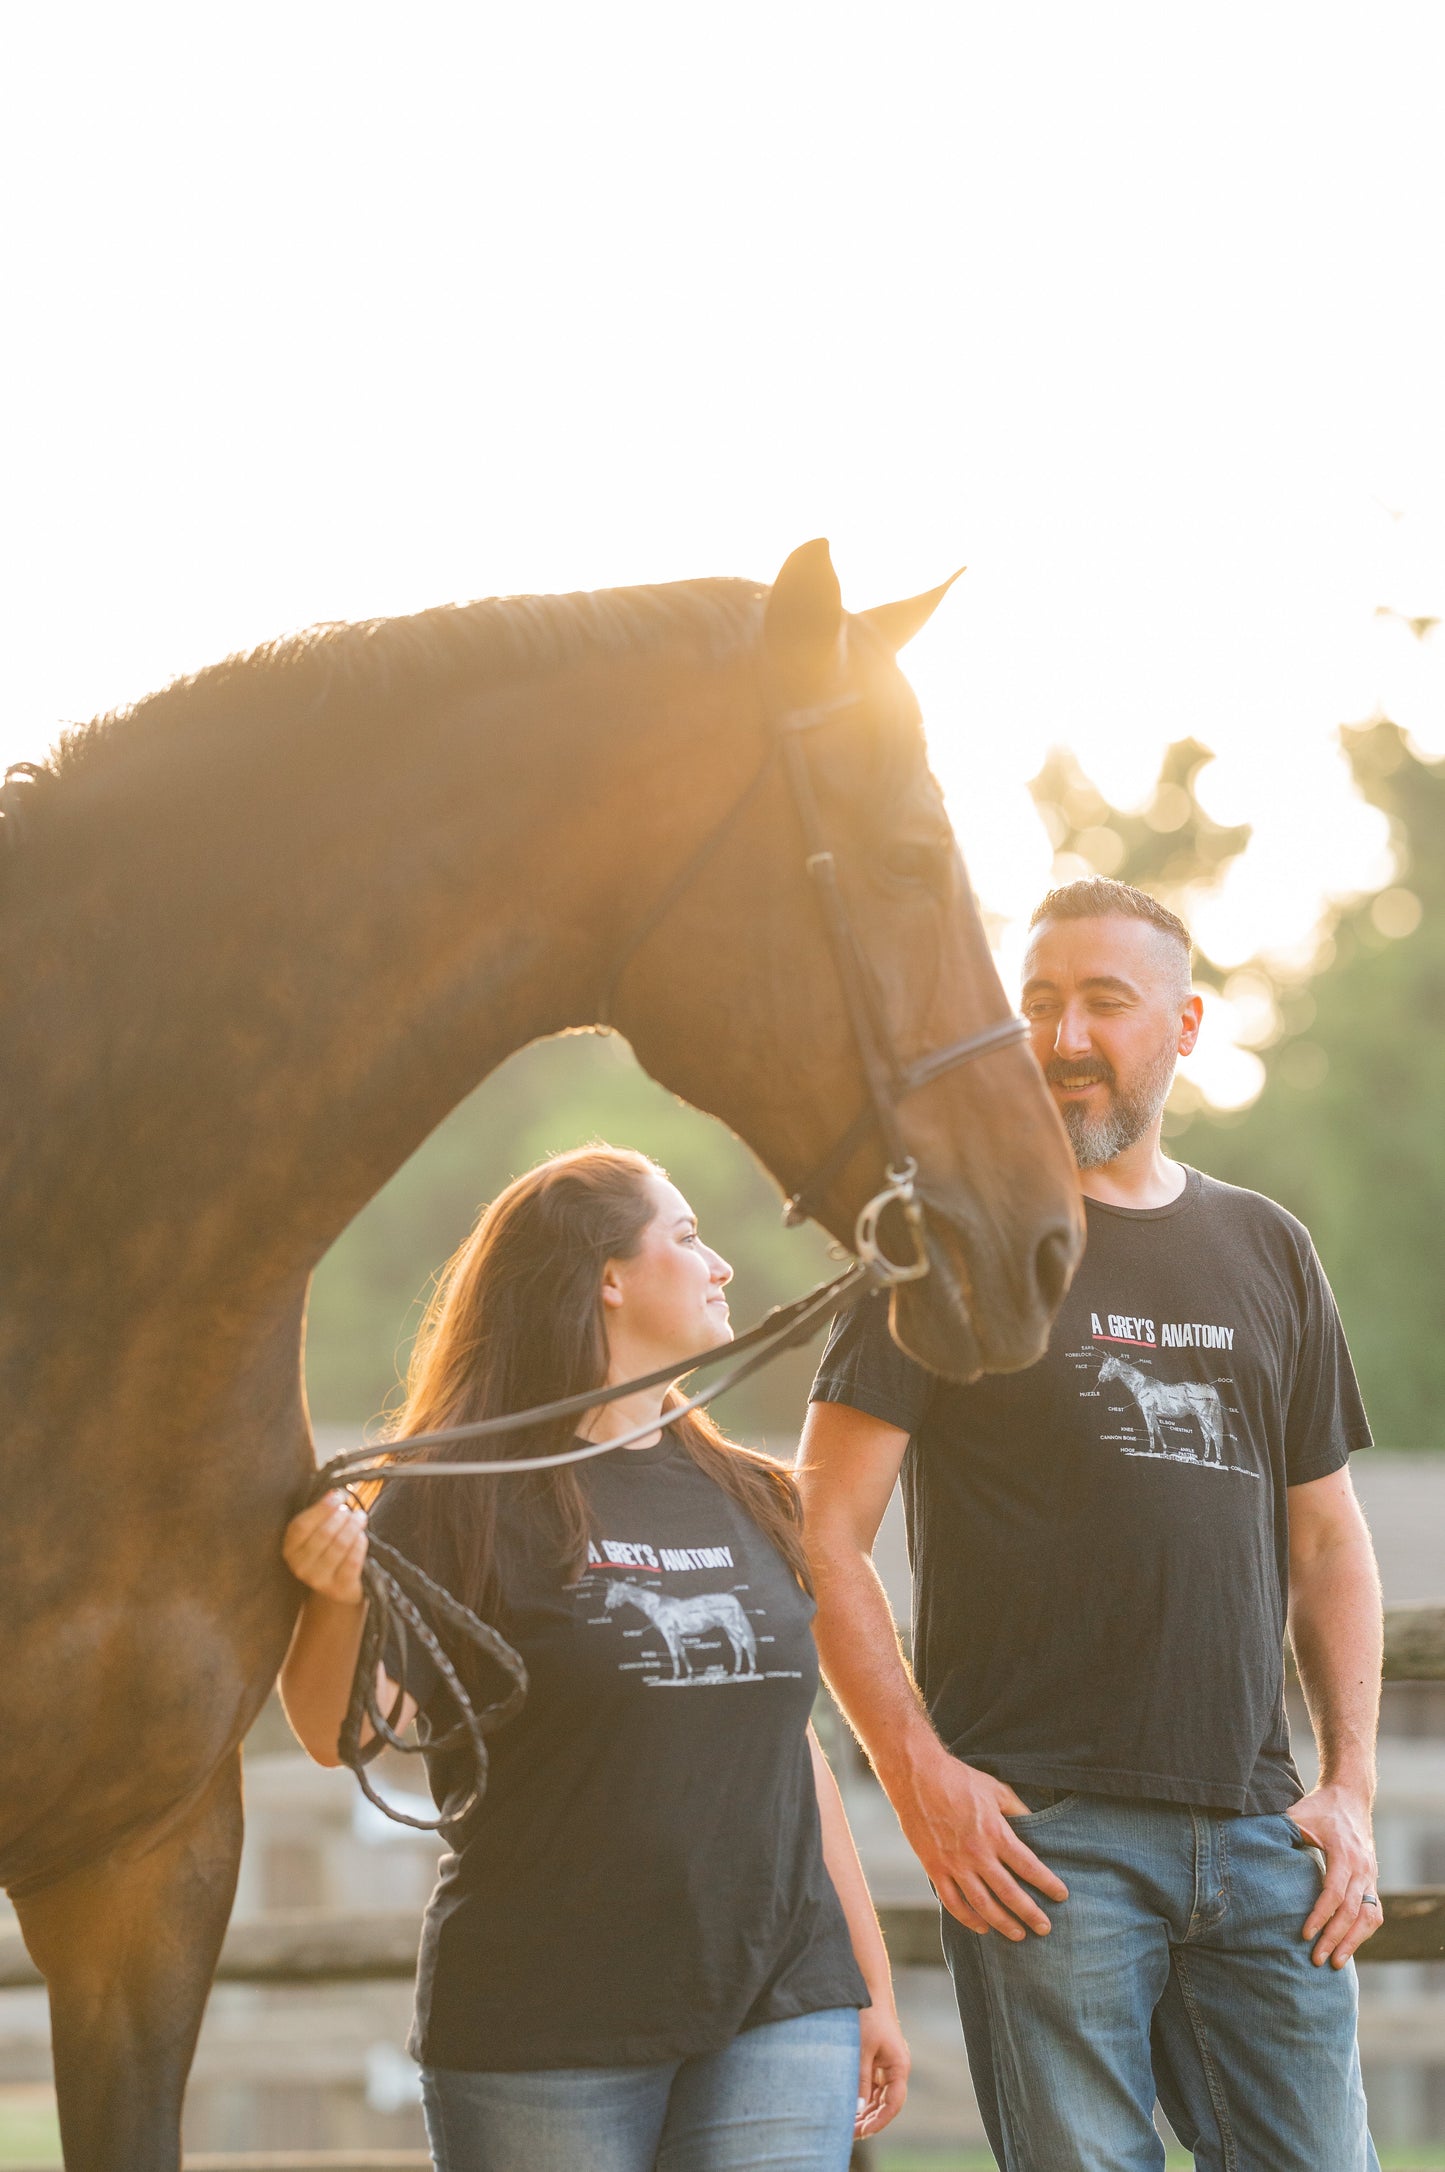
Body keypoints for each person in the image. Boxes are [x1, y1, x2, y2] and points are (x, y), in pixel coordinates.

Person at [797, 877, 1382, 2171]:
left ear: (1182, 1026)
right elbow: (820, 1529)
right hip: (1044, 1843)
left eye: (1105, 1005)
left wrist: (1349, 1790)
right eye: (1041, 1005)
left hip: (1257, 1826)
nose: (1064, 1039)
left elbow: (1329, 1540)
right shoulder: (944, 1243)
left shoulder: (1264, 1247)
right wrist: (915, 1776)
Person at [279, 1145, 909, 2172]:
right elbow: (335, 1731)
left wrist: (866, 1984)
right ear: (606, 1277)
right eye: (687, 1236)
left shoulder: (750, 1493)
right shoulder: (449, 1494)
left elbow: (784, 1750)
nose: (721, 1268)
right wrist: (336, 1595)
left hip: (779, 2005)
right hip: (543, 2027)